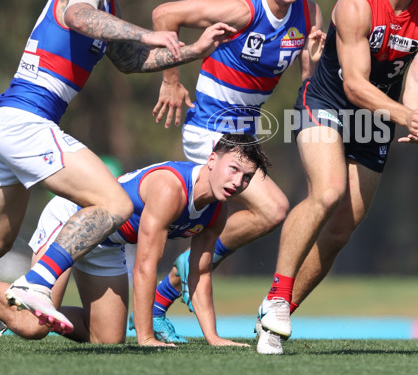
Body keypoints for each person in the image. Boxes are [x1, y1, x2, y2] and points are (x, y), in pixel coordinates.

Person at [0, 0, 236, 335]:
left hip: (15, 125)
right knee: (115, 204)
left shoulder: (107, 5)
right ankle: (36, 282)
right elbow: (77, 17)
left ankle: (29, 293)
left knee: (5, 246)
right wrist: (147, 33)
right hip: (25, 120)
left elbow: (128, 61)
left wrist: (195, 50)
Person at [255, 0, 418, 354]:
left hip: (378, 117)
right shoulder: (356, 3)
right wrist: (404, 115)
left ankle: (275, 313)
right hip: (327, 103)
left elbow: (417, 84)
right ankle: (275, 300)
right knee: (327, 193)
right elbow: (354, 85)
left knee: (342, 228)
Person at [147, 0, 325, 337]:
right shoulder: (243, 8)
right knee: (275, 208)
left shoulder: (310, 13)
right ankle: (181, 271)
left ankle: (167, 293)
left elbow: (308, 77)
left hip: (244, 138)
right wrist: (171, 81)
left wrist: (312, 67)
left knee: (227, 222)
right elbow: (164, 14)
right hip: (208, 128)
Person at [0, 133, 269, 347]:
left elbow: (199, 273)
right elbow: (144, 268)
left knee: (106, 339)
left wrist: (213, 337)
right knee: (33, 327)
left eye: (246, 177)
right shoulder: (170, 188)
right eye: (233, 169)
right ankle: (18, 308)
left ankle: (11, 306)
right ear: (212, 160)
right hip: (75, 221)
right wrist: (146, 337)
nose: (238, 182)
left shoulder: (216, 211)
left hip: (108, 244)